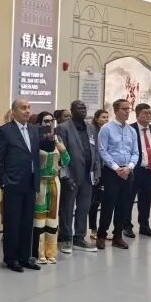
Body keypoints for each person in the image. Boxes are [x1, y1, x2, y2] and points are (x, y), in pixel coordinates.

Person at [0, 98, 42, 272]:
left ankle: (25, 257)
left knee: (27, 222)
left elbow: (35, 156)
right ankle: (11, 258)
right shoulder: (5, 131)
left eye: (29, 107)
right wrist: (3, 182)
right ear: (14, 111)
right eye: (23, 108)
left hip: (30, 182)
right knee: (12, 222)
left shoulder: (34, 130)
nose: (27, 111)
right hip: (12, 183)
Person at [55, 100, 101, 253]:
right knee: (67, 208)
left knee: (83, 208)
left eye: (84, 107)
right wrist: (66, 176)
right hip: (71, 176)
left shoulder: (91, 128)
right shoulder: (62, 128)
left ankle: (79, 237)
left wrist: (97, 172)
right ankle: (66, 238)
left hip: (88, 176)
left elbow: (96, 152)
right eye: (79, 108)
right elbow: (60, 156)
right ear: (72, 110)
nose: (83, 110)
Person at [95, 100, 137, 250]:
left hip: (127, 172)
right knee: (108, 204)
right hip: (112, 172)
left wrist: (129, 167)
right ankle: (101, 235)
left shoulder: (132, 131)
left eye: (128, 109)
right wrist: (116, 168)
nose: (127, 111)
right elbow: (102, 150)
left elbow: (135, 152)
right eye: (124, 109)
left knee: (123, 205)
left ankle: (117, 236)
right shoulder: (106, 129)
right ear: (116, 110)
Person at [33, 112, 68, 263]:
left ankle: (51, 252)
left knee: (53, 218)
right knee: (39, 218)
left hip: (54, 182)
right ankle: (39, 252)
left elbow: (66, 161)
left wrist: (63, 150)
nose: (49, 124)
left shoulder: (58, 139)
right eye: (45, 121)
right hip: (40, 183)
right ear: (39, 123)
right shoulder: (35, 139)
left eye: (51, 121)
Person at [128, 103, 151, 238]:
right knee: (129, 199)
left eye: (150, 113)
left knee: (146, 200)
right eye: (145, 113)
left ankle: (144, 226)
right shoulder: (130, 129)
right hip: (135, 170)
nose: (148, 115)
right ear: (137, 115)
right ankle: (127, 226)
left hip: (149, 170)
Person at [86, 108, 109, 236]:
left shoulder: (108, 131)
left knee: (105, 201)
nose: (106, 119)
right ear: (96, 119)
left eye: (107, 117)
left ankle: (103, 230)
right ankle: (93, 229)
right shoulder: (92, 131)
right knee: (94, 202)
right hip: (96, 170)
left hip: (108, 169)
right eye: (103, 117)